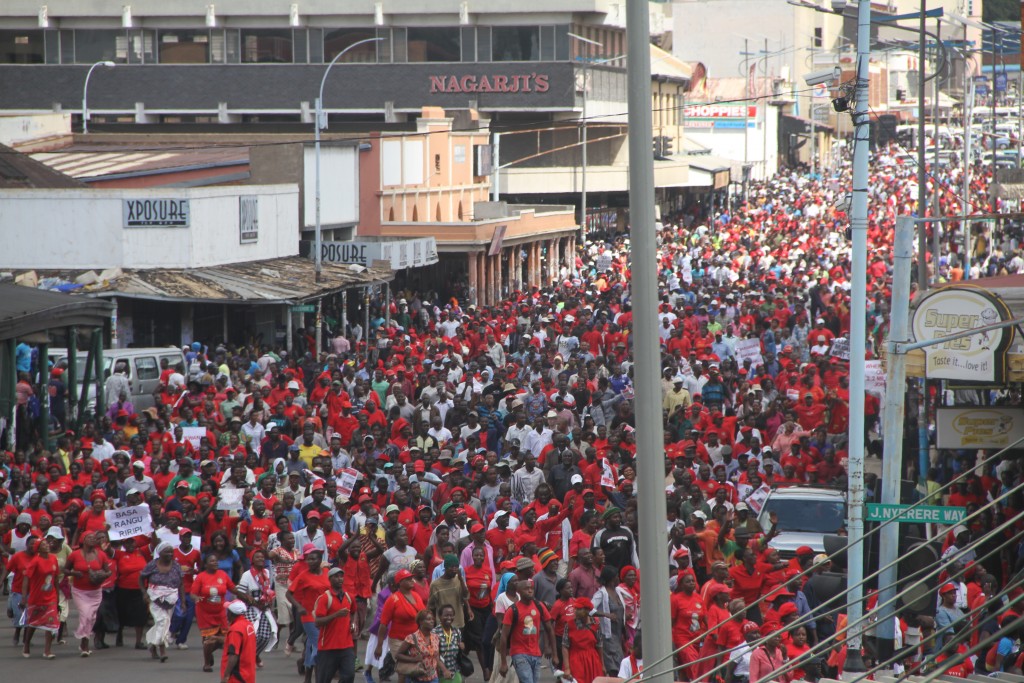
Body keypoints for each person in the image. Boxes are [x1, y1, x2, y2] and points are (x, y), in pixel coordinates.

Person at [65, 531, 113, 656]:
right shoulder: (74, 555)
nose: (92, 540)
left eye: (94, 538)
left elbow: (108, 572)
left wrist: (101, 575)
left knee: (91, 617)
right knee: (85, 615)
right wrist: (74, 573)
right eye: (89, 538)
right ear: (83, 540)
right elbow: (65, 569)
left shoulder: (101, 555)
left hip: (95, 591)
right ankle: (85, 645)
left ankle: (83, 641)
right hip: (80, 591)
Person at [289, 544, 332, 683]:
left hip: (325, 615)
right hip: (309, 616)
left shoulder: (327, 573)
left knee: (311, 646)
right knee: (319, 645)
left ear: (320, 559)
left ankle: (307, 677)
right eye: (308, 559)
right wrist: (299, 606)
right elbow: (289, 593)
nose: (310, 561)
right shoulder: (303, 576)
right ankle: (320, 678)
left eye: (313, 559)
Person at [498, 578, 554, 683]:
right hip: (519, 654)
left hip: (536, 654)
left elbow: (550, 629)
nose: (530, 591)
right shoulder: (512, 610)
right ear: (519, 591)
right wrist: (504, 662)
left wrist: (553, 653)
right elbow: (504, 636)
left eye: (531, 588)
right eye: (526, 588)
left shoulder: (539, 606)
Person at [376, 567, 428, 676]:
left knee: (417, 669)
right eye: (407, 579)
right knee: (404, 669)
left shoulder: (416, 596)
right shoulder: (392, 599)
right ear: (399, 583)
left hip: (415, 640)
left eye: (411, 578)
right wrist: (379, 646)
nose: (411, 581)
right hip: (398, 640)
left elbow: (423, 616)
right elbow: (383, 624)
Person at [193, 551, 238, 672]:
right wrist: (196, 598)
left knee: (223, 638)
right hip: (205, 613)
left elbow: (233, 588)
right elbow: (193, 594)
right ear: (206, 564)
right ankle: (207, 663)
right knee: (208, 639)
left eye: (216, 560)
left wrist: (245, 597)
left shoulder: (223, 574)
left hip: (220, 612)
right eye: (212, 561)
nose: (215, 563)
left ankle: (209, 653)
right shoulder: (201, 577)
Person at [140, 541, 184, 663]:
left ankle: (152, 646)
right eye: (166, 551)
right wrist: (144, 593)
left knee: (163, 623)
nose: (170, 554)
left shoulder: (176, 566)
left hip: (171, 598)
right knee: (162, 621)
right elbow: (142, 577)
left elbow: (181, 584)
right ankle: (162, 649)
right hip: (154, 596)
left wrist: (183, 601)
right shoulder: (152, 565)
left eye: (171, 551)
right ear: (159, 552)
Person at [314, 566, 358, 683]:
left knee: (349, 676)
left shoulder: (349, 597)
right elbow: (318, 622)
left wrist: (353, 623)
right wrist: (335, 615)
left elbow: (354, 612)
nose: (339, 579)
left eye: (341, 576)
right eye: (336, 577)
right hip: (328, 647)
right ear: (330, 579)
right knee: (323, 679)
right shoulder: (325, 598)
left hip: (346, 645)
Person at [236, 547, 279, 662]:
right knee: (252, 635)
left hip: (264, 608)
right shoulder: (247, 575)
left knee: (265, 636)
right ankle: (246, 657)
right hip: (250, 608)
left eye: (262, 557)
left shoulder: (267, 573)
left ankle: (254, 655)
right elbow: (240, 593)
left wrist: (269, 606)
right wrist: (253, 602)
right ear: (252, 560)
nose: (260, 559)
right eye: (257, 557)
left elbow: (269, 591)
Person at [21, 536, 60, 659]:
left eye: (47, 544)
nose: (47, 545)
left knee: (51, 624)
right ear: (39, 548)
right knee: (33, 623)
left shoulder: (54, 559)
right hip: (37, 597)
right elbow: (26, 579)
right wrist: (23, 598)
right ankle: (26, 644)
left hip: (51, 597)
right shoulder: (35, 561)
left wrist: (57, 596)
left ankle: (47, 651)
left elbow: (56, 579)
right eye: (43, 545)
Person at [395, 609, 449, 683]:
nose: (432, 621)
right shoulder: (412, 638)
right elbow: (398, 655)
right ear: (420, 622)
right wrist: (413, 659)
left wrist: (445, 670)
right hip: (417, 677)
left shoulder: (436, 637)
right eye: (428, 619)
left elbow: (437, 657)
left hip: (433, 677)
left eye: (432, 619)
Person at [561, 597, 605, 683]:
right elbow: (565, 646)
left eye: (579, 609)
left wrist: (602, 665)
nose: (575, 611)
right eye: (575, 608)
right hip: (575, 661)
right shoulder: (570, 625)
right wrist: (567, 668)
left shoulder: (596, 623)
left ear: (587, 610)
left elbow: (599, 645)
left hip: (593, 661)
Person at [221, 600, 258, 683]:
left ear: (231, 613)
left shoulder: (235, 630)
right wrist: (217, 639)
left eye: (228, 611)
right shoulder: (248, 625)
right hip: (248, 673)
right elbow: (242, 644)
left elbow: (234, 655)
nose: (226, 614)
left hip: (237, 676)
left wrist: (226, 676)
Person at [434, 604, 466, 683]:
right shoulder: (435, 633)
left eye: (451, 615)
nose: (449, 618)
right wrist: (445, 670)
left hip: (455, 671)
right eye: (446, 615)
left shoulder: (456, 631)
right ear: (440, 616)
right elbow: (434, 655)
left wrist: (462, 646)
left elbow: (459, 652)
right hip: (440, 673)